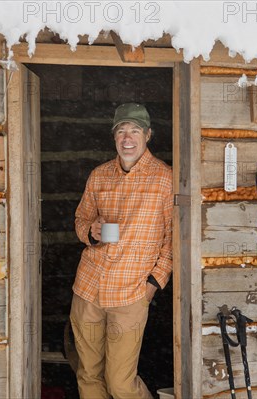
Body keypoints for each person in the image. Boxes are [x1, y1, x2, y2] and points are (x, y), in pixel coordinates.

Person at [70, 103, 173, 398]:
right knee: (88, 374)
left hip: (130, 294)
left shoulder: (165, 179)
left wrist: (154, 284)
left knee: (119, 383)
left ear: (148, 135)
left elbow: (173, 239)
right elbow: (80, 219)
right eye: (121, 131)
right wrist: (90, 232)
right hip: (88, 287)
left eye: (135, 131)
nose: (127, 138)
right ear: (114, 136)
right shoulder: (99, 175)